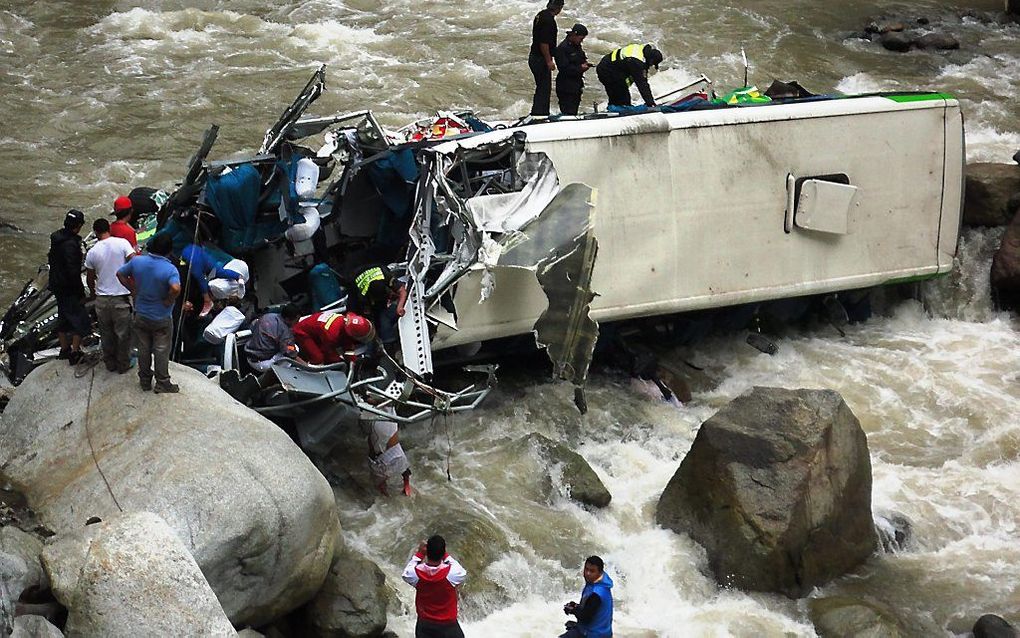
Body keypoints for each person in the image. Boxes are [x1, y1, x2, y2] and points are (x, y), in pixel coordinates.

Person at [116, 233, 182, 393]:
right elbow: (175, 288)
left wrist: (132, 289)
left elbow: (120, 273)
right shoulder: (170, 269)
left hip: (141, 314)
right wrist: (169, 300)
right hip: (161, 317)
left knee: (143, 348)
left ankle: (145, 380)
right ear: (168, 250)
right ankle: (162, 382)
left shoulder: (137, 261)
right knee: (161, 349)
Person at [84, 218, 135, 373]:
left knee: (106, 334)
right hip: (121, 298)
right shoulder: (122, 243)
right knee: (123, 334)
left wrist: (93, 294)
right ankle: (123, 364)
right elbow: (134, 261)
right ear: (109, 229)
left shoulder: (92, 252)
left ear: (95, 232)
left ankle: (110, 363)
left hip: (102, 299)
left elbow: (90, 277)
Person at [402, 535, 467, 638]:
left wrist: (420, 553)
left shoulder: (416, 574)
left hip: (425, 625)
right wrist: (444, 553)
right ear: (443, 553)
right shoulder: (452, 574)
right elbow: (460, 570)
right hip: (448, 626)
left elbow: (406, 574)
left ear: (427, 553)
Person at [47, 209, 89, 365]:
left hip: (57, 285)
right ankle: (74, 352)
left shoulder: (57, 239)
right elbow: (73, 272)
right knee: (81, 320)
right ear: (78, 226)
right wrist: (80, 292)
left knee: (63, 317)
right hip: (69, 287)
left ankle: (64, 349)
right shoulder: (71, 245)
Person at [180, 243, 245, 317]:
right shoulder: (196, 271)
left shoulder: (205, 267)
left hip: (193, 253)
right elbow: (202, 281)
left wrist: (237, 276)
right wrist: (207, 299)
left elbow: (219, 272)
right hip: (193, 259)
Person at [351, 264, 407, 349]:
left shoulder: (385, 276)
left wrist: (400, 307)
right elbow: (369, 320)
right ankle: (389, 343)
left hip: (375, 268)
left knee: (386, 316)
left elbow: (402, 291)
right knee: (382, 320)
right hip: (357, 282)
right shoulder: (362, 295)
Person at [362, 405, 412, 496]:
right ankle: (400, 485)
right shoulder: (389, 411)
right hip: (388, 449)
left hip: (386, 452)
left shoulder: (383, 414)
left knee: (379, 475)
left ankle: (387, 487)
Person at [292, 311, 375, 365]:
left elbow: (347, 342)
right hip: (302, 332)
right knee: (318, 358)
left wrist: (352, 360)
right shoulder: (331, 335)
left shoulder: (345, 323)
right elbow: (329, 354)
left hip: (315, 329)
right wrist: (342, 362)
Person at [560, 556, 614, 638]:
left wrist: (572, 610)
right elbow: (590, 609)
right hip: (602, 632)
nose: (588, 573)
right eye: (586, 569)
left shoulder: (597, 593)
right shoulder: (600, 583)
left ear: (599, 572)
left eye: (592, 571)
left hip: (593, 634)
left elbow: (585, 617)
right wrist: (576, 606)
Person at [596, 43, 663, 108]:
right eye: (652, 63)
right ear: (650, 60)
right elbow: (642, 84)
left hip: (608, 66)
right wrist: (650, 104)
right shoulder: (636, 62)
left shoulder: (640, 49)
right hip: (608, 71)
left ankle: (614, 110)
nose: (651, 65)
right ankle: (619, 112)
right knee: (624, 100)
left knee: (617, 97)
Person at [529, 0, 564, 117]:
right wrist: (549, 61)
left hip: (534, 56)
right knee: (544, 89)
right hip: (540, 59)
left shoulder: (541, 14)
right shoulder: (549, 21)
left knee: (541, 88)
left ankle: (538, 112)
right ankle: (540, 115)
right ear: (559, 8)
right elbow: (544, 43)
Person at [244, 304, 303, 372]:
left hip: (249, 357)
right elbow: (290, 353)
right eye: (296, 320)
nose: (297, 322)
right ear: (287, 319)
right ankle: (279, 373)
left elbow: (252, 325)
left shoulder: (267, 316)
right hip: (263, 363)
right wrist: (305, 365)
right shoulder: (285, 331)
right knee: (294, 348)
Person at [554, 23, 590, 115]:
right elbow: (564, 68)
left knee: (574, 111)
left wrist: (585, 63)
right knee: (568, 112)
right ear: (574, 35)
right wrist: (580, 68)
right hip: (565, 86)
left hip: (576, 84)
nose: (581, 41)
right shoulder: (562, 48)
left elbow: (581, 57)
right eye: (581, 39)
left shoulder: (577, 46)